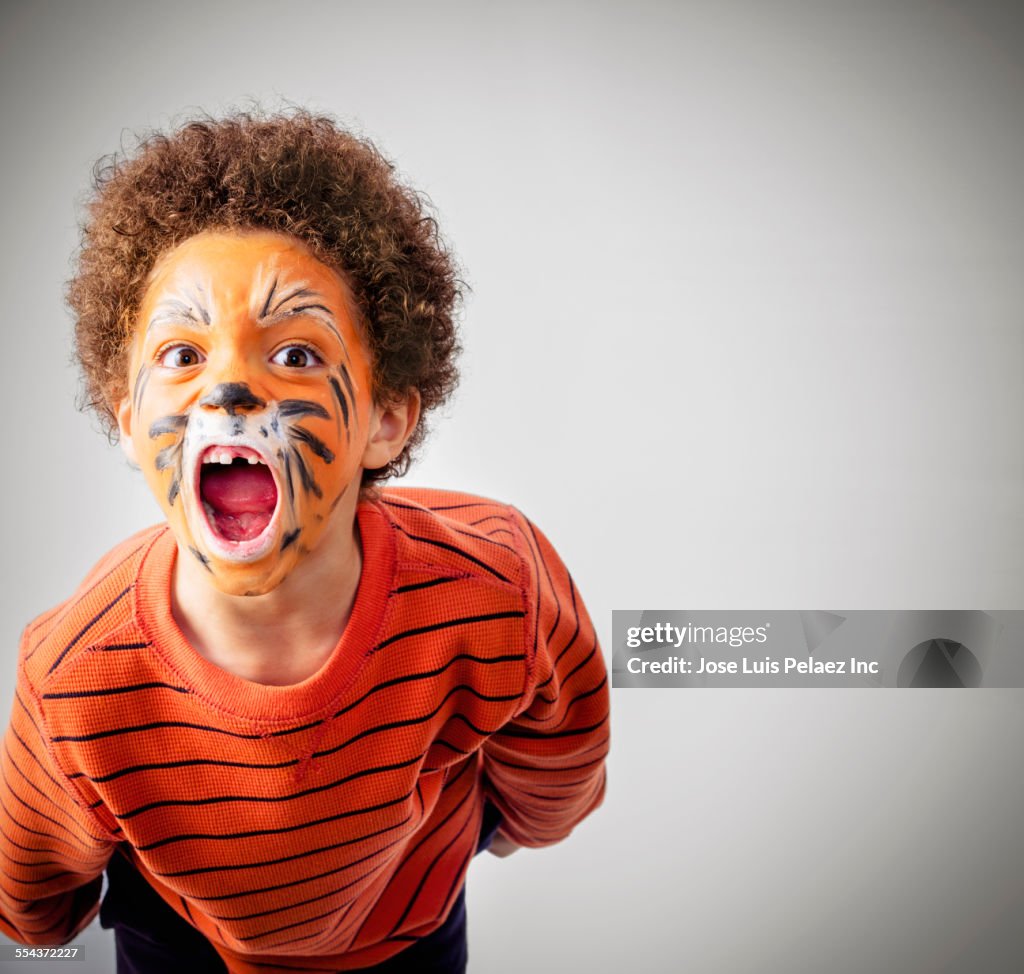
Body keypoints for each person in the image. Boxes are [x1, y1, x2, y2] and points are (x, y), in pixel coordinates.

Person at [0, 111, 608, 973]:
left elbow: (561, 749)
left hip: (408, 930)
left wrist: (514, 826)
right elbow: (32, 894)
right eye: (182, 352)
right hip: (182, 947)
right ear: (130, 420)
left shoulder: (494, 580)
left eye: (292, 351)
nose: (232, 386)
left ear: (388, 418)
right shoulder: (76, 677)